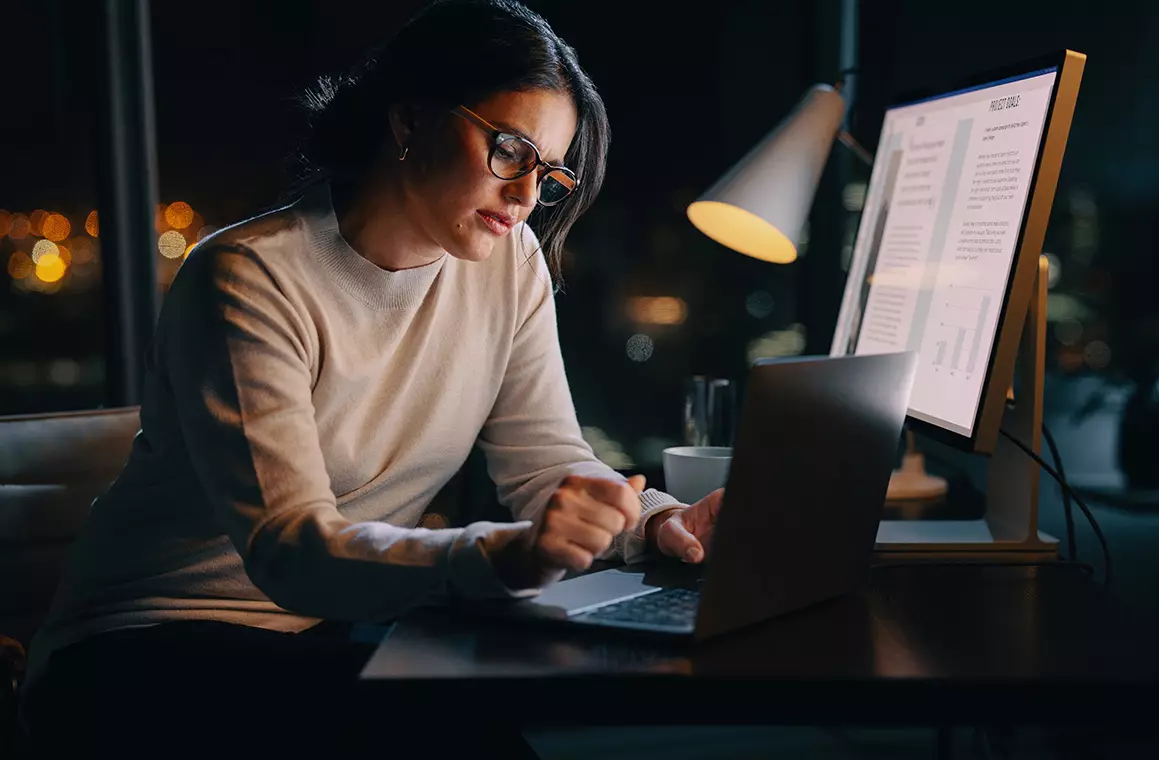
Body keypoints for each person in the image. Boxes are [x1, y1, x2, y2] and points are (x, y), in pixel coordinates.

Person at [19, 0, 722, 753]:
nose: (525, 196)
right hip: (141, 646)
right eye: (511, 151)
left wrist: (659, 524)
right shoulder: (249, 277)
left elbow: (546, 464)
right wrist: (507, 555)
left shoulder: (510, 266)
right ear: (410, 118)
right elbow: (289, 548)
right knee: (462, 723)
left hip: (325, 631)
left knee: (497, 709)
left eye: (547, 173)